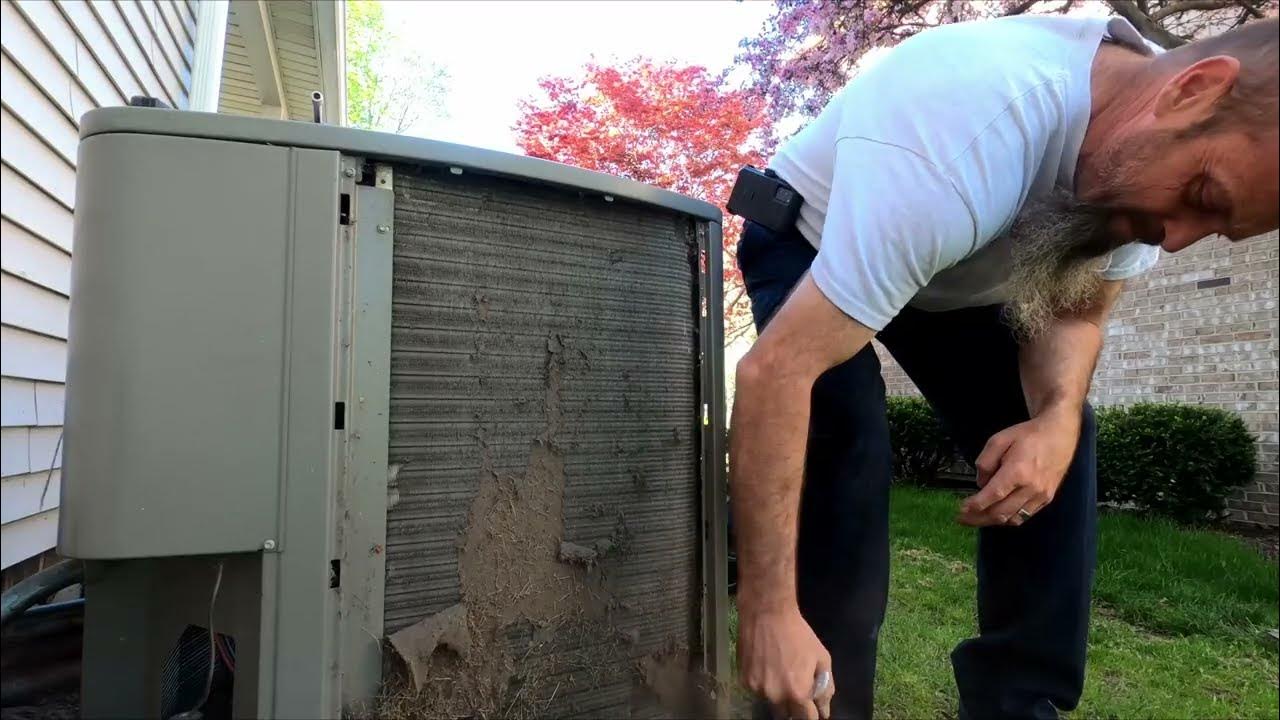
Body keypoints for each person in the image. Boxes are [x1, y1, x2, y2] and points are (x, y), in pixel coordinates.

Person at [729, 12, 1279, 720]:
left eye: (1216, 229)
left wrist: (1051, 423)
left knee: (1058, 440)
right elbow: (776, 375)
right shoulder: (967, 127)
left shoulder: (1136, 175)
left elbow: (1075, 311)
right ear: (1191, 90)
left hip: (953, 273)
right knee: (847, 449)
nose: (1175, 240)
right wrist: (768, 611)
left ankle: (1016, 705)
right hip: (811, 234)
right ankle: (814, 697)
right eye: (1204, 199)